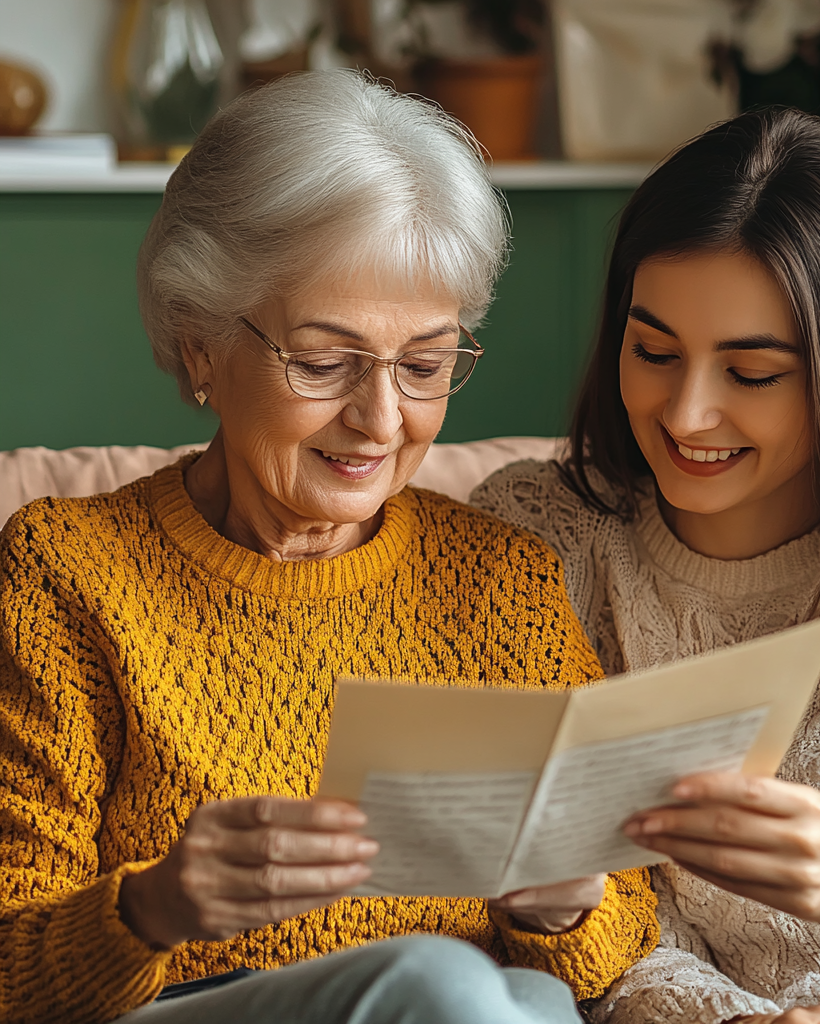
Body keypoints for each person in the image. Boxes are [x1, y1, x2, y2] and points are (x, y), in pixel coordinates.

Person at [0, 72, 658, 1024]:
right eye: (323, 362)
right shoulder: (67, 571)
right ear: (197, 345)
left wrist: (567, 911)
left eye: (425, 365)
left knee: (511, 996)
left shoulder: (502, 581)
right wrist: (152, 908)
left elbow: (617, 925)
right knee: (446, 986)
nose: (380, 419)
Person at [472, 107, 820, 1024]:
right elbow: (606, 932)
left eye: (752, 373)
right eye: (652, 352)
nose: (687, 414)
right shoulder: (544, 538)